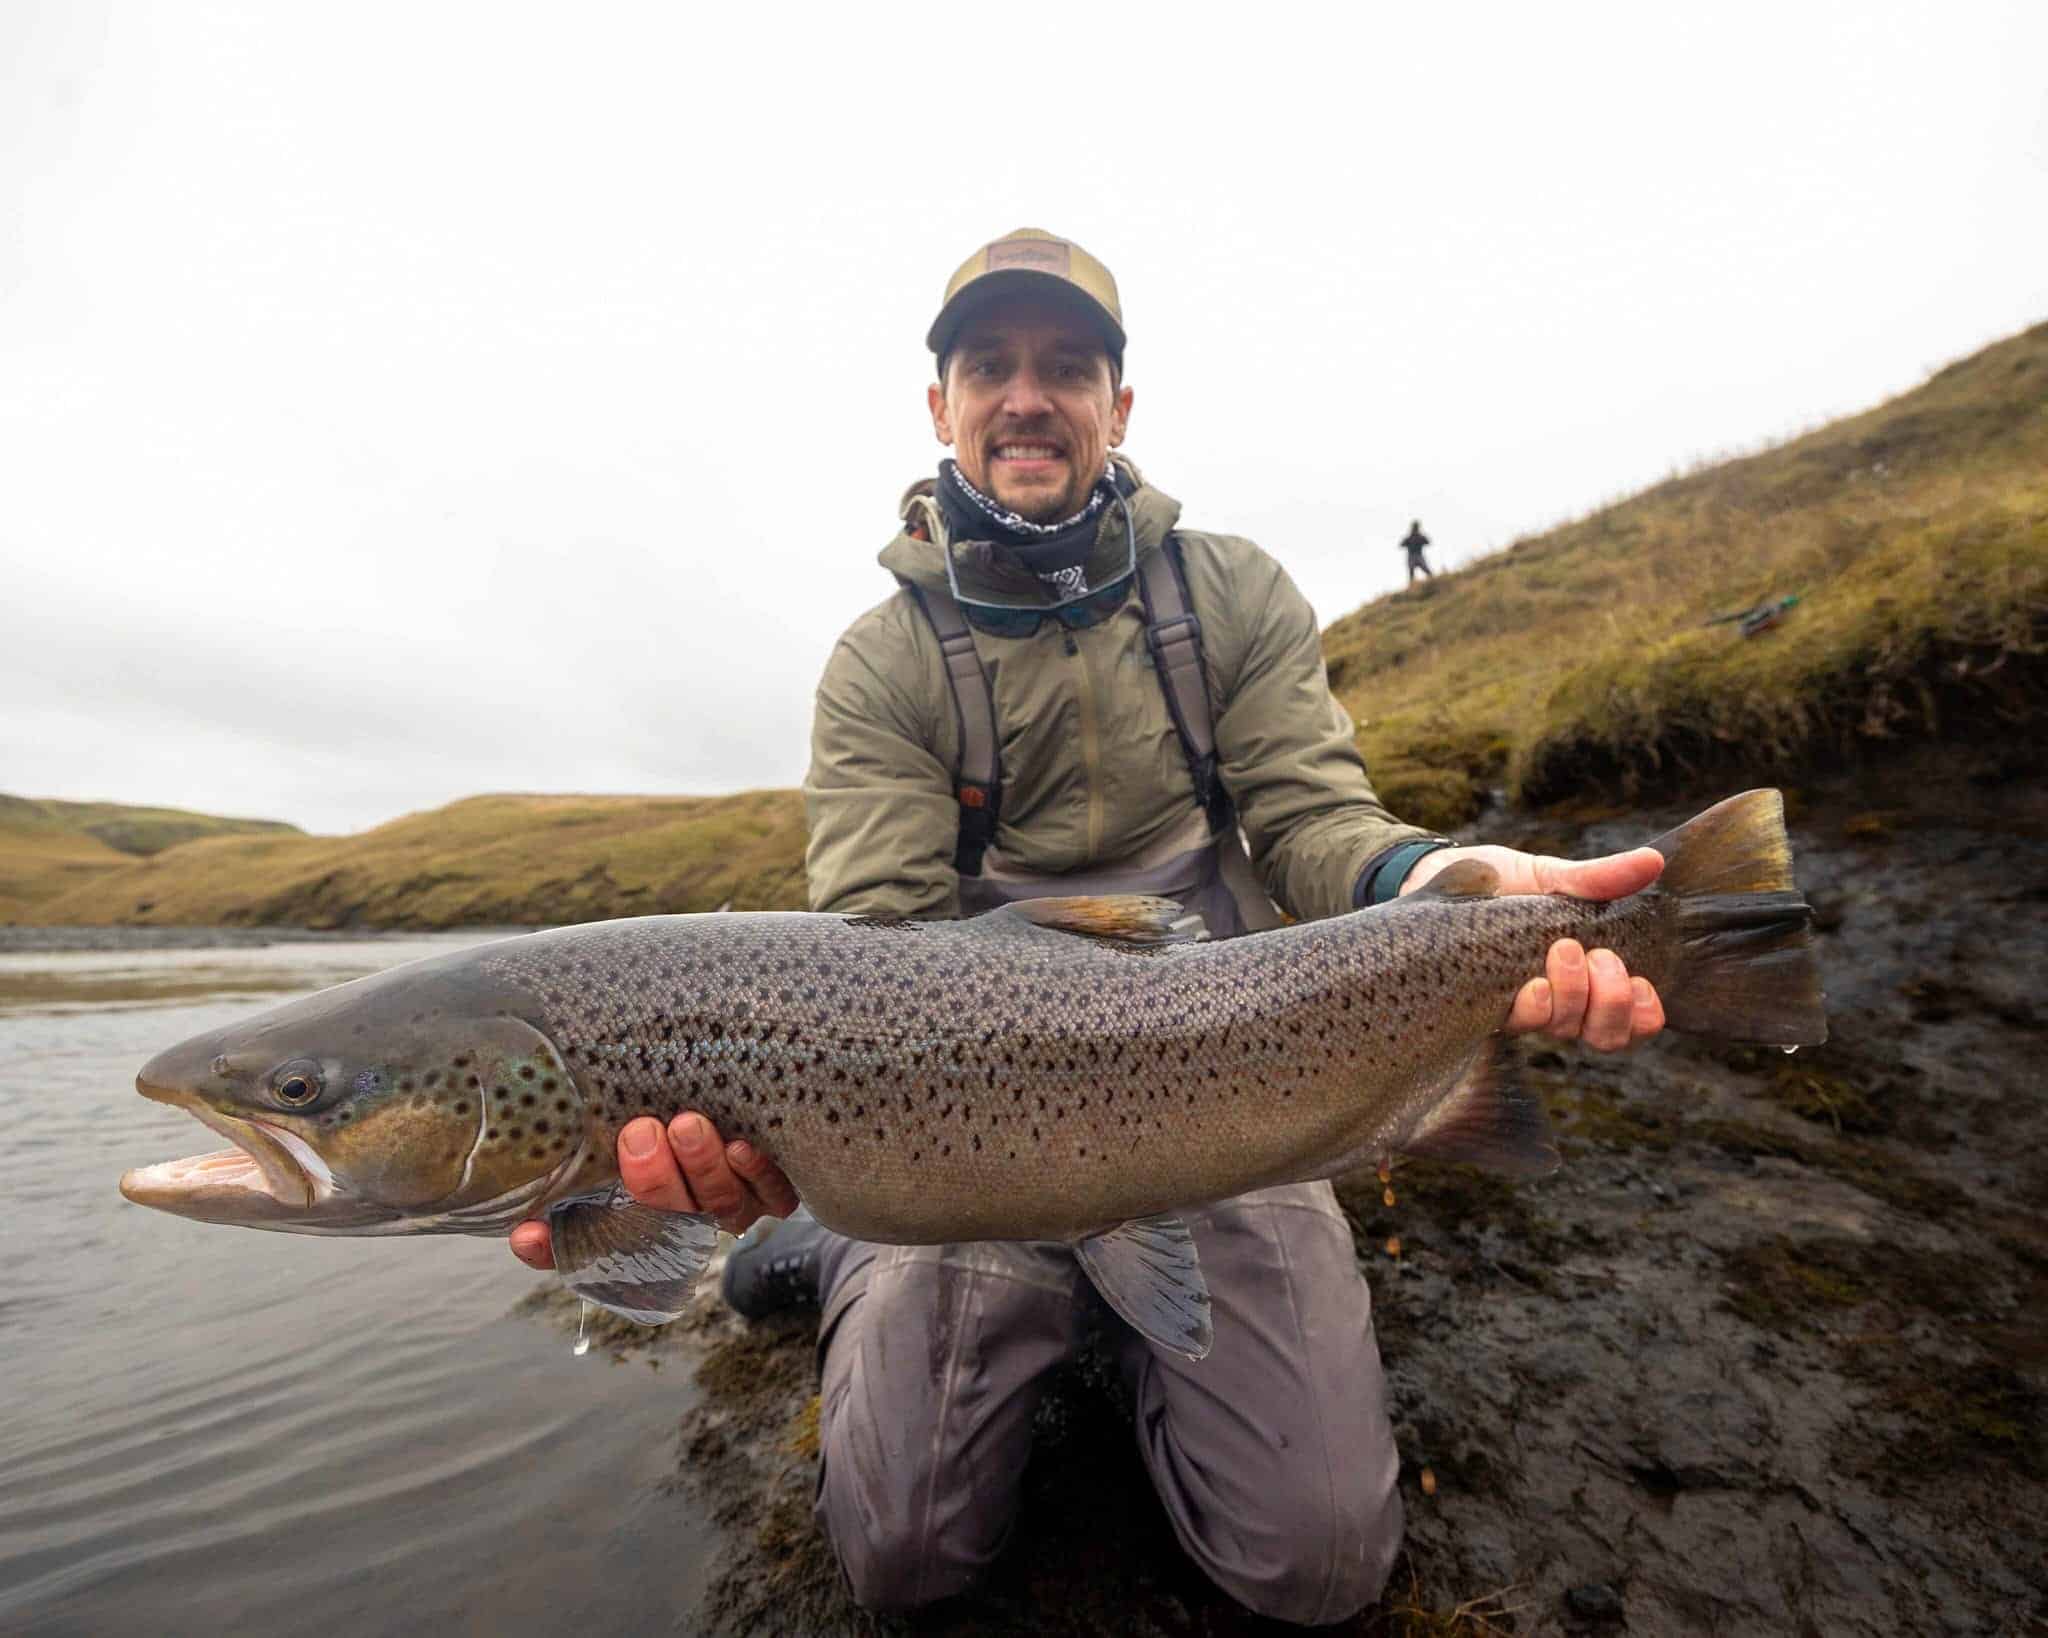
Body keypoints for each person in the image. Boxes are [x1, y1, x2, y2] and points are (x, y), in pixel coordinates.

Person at [509, 228, 1667, 1625]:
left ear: (1121, 406)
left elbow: (1313, 822)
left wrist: (1434, 883)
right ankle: (829, 1243)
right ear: (938, 407)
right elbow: (869, 945)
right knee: (902, 1557)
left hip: (1212, 1085)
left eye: (1067, 366)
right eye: (987, 366)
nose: (1025, 396)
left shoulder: (1230, 592)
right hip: (950, 1129)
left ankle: (1082, 1307)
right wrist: (771, 1151)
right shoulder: (882, 662)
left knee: (1316, 1567)